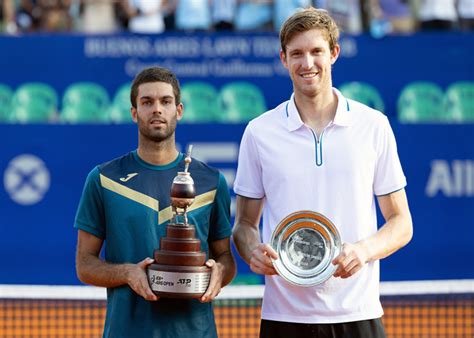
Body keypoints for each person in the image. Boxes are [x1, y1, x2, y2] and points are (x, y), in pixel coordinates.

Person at [232, 7, 413, 338]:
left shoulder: (373, 125)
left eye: (316, 51)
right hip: (284, 316)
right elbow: (244, 225)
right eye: (297, 54)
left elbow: (401, 223)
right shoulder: (259, 132)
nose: (307, 63)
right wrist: (252, 251)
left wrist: (363, 250)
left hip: (358, 312)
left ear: (334, 54)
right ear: (284, 59)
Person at [74, 66, 236, 338]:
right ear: (134, 113)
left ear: (179, 110)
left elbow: (225, 258)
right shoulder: (103, 179)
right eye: (147, 102)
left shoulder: (211, 181)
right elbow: (85, 264)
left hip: (196, 332)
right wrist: (128, 273)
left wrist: (220, 272)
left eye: (165, 101)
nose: (157, 109)